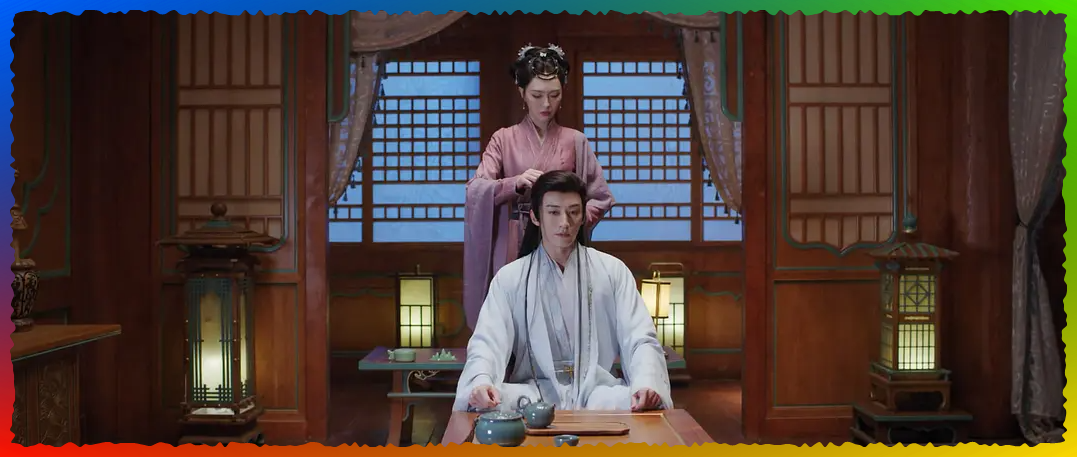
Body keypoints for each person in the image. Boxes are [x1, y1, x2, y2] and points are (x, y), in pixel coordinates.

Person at [453, 170, 671, 412]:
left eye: (573, 212)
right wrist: (482, 380)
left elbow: (639, 337)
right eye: (554, 212)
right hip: (534, 393)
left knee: (634, 400)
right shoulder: (510, 278)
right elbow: (488, 341)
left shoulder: (612, 271)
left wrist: (646, 382)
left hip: (597, 393)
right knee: (490, 399)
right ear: (536, 217)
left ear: (583, 216)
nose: (564, 222)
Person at [463, 44, 615, 330]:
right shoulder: (503, 139)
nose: (546, 104)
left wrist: (570, 219)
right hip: (513, 240)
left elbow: (601, 197)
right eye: (537, 95)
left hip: (559, 241)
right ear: (522, 92)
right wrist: (513, 184)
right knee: (513, 316)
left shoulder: (576, 141)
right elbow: (475, 189)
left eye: (554, 95)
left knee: (561, 318)